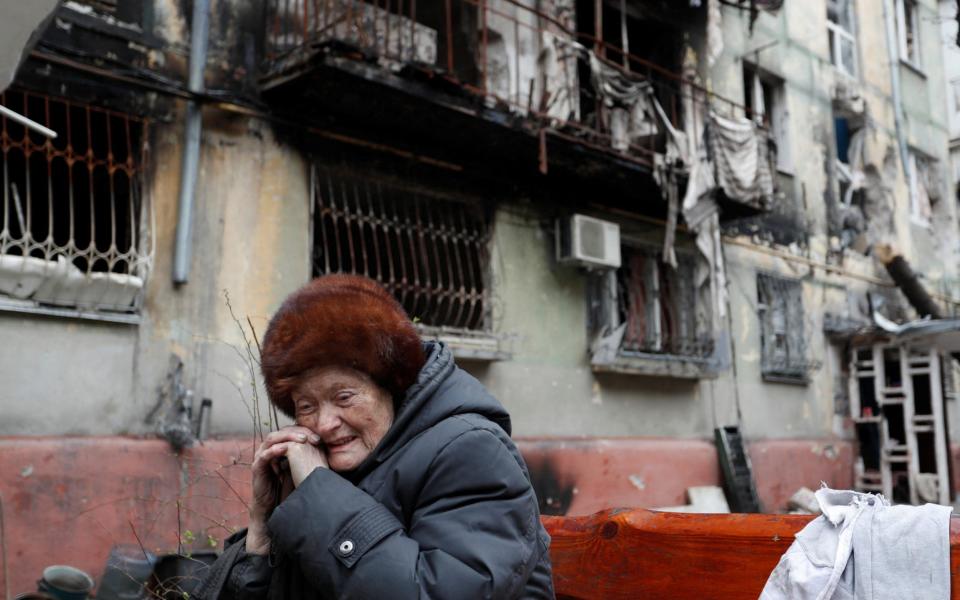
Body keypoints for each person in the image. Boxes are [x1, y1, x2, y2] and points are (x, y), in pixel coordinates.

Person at [197, 274, 554, 599]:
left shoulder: (472, 451)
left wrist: (320, 495)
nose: (323, 424)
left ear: (391, 385)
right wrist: (262, 531)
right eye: (306, 405)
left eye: (344, 397)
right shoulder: (325, 467)